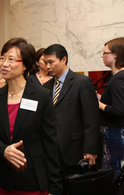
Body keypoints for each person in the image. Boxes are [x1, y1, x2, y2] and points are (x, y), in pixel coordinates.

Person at [0, 38, 62, 195]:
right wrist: (3, 149)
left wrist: (55, 186)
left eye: (11, 59)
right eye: (2, 58)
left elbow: (50, 143)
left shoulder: (41, 96)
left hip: (32, 177)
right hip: (3, 179)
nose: (4, 64)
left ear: (25, 65)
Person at [43, 44, 100, 194]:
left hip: (75, 150)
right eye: (45, 63)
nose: (47, 66)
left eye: (51, 62)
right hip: (52, 151)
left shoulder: (82, 82)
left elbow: (91, 119)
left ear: (63, 60)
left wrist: (90, 149)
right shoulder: (46, 87)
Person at [99, 37, 124, 176]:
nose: (102, 56)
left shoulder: (119, 78)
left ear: (115, 54)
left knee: (116, 175)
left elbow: (119, 110)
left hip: (116, 135)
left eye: (105, 53)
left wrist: (99, 104)